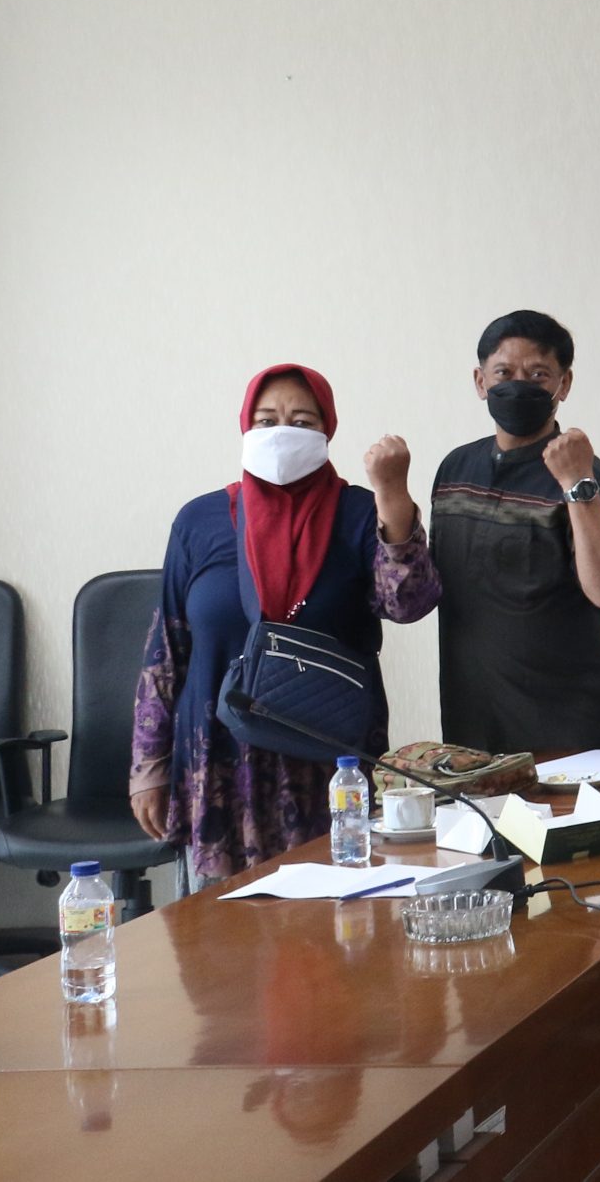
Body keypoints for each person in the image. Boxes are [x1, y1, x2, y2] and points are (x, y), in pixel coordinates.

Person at [129, 365, 440, 879]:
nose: (281, 433)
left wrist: (393, 495)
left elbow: (408, 603)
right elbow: (166, 649)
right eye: (266, 420)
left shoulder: (359, 512)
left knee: (332, 917)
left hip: (326, 768)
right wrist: (149, 767)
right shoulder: (199, 521)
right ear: (244, 426)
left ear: (327, 430)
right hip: (218, 763)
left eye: (301, 421)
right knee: (215, 922)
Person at [428, 310, 600, 756]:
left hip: (571, 731)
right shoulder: (455, 470)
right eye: (504, 373)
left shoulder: (592, 480)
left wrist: (576, 483)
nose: (519, 385)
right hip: (473, 729)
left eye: (538, 374)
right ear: (480, 381)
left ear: (564, 384)